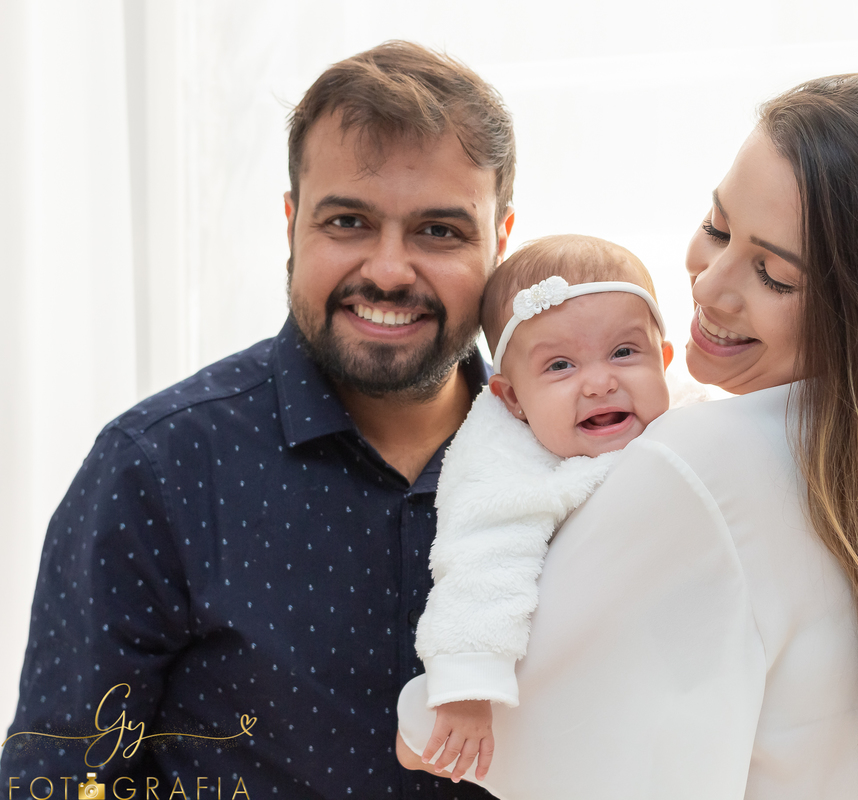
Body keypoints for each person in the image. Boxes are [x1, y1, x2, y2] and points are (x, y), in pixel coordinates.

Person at [397, 73, 858, 800]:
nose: (708, 287)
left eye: (771, 274)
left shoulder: (698, 468)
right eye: (717, 227)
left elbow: (525, 741)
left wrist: (427, 711)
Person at [2, 41, 512, 800]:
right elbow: (60, 780)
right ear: (291, 223)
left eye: (439, 231)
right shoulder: (155, 469)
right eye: (348, 221)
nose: (389, 270)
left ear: (500, 241)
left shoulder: (583, 462)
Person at [407, 235, 674, 782]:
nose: (601, 382)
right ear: (512, 399)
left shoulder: (692, 427)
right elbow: (480, 566)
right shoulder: (509, 471)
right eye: (560, 366)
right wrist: (467, 687)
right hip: (578, 691)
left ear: (665, 360)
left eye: (625, 352)